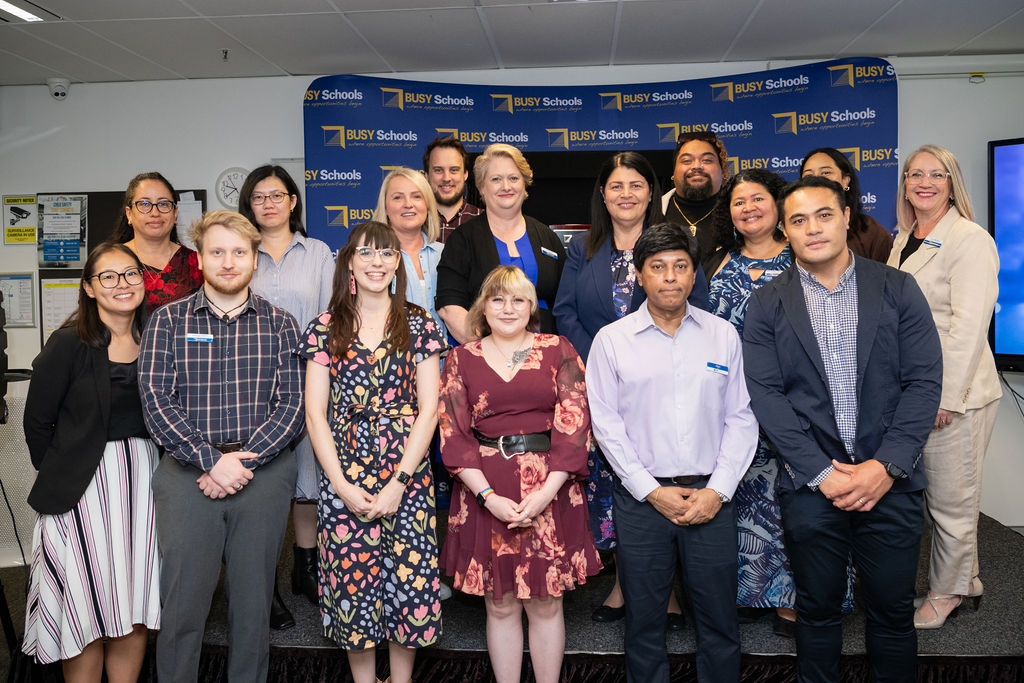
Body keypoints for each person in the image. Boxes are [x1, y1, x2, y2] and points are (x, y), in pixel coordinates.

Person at [743, 175, 942, 683]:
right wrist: (820, 473)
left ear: (847, 216)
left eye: (824, 214)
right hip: (813, 485)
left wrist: (885, 466)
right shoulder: (767, 303)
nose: (813, 229)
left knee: (893, 616)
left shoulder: (898, 287)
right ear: (784, 232)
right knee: (817, 612)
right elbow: (767, 396)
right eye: (799, 220)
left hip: (891, 484)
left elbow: (923, 382)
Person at [586, 224, 758, 683]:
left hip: (710, 497)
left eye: (680, 266)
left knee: (719, 621)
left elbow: (741, 418)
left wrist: (718, 491)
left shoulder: (722, 336)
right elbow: (606, 425)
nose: (670, 277)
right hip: (642, 500)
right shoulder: (612, 340)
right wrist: (650, 490)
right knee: (644, 623)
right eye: (657, 267)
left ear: (693, 273)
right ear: (640, 275)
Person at [139, 210, 304, 683]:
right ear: (200, 258)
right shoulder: (167, 322)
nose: (228, 262)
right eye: (217, 252)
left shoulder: (281, 324)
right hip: (186, 473)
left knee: (253, 606)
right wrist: (212, 461)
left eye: (239, 252)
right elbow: (156, 401)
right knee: (183, 605)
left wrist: (241, 462)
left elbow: (292, 404)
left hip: (264, 472)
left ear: (254, 259)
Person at [553, 151, 707, 629]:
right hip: (599, 386)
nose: (626, 194)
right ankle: (625, 584)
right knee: (615, 489)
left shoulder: (674, 243)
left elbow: (694, 306)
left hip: (665, 386)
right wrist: (603, 362)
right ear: (603, 194)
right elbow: (565, 313)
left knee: (666, 476)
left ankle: (668, 593)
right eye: (616, 186)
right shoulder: (583, 247)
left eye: (636, 185)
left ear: (651, 192)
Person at [297, 221, 446, 683]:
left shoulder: (419, 322)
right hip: (344, 469)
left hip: (408, 471)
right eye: (366, 253)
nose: (376, 261)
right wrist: (340, 485)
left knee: (409, 580)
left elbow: (429, 409)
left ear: (397, 262)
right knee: (352, 582)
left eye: (386, 253)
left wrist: (399, 482)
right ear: (350, 264)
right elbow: (315, 415)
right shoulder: (325, 327)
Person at [440, 266, 600, 683]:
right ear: (483, 308)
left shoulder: (557, 349)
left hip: (552, 487)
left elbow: (575, 422)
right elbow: (452, 435)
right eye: (497, 299)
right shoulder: (460, 358)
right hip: (485, 490)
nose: (507, 308)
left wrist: (546, 493)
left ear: (531, 307)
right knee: (500, 603)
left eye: (518, 299)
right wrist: (488, 497)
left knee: (546, 602)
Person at [22, 243, 160, 681]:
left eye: (131, 274)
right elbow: (37, 423)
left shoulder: (159, 336)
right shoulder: (68, 343)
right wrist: (69, 473)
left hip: (143, 486)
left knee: (132, 603)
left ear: (144, 280)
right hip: (81, 495)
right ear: (88, 287)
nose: (123, 284)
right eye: (109, 276)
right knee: (85, 606)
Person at [886, 145, 1000, 629]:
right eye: (915, 174)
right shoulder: (905, 237)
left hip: (956, 392)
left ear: (952, 182)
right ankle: (965, 580)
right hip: (913, 387)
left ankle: (947, 592)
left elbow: (970, 327)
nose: (924, 182)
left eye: (936, 174)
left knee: (953, 500)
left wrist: (944, 396)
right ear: (905, 183)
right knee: (943, 498)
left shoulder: (968, 238)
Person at [238, 164, 335, 628]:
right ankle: (265, 585)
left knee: (309, 481)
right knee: (262, 486)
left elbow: (332, 315)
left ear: (293, 201)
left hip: (308, 381)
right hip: (250, 388)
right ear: (249, 205)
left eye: (277, 195)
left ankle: (306, 567)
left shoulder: (317, 253)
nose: (269, 203)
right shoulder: (240, 252)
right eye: (259, 197)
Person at [706, 168, 799, 636]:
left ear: (778, 204)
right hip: (733, 400)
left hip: (792, 400)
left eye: (758, 199)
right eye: (739, 202)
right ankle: (749, 590)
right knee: (741, 497)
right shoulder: (717, 260)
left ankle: (793, 597)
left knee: (792, 500)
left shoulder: (802, 256)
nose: (749, 208)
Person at [436, 143, 565, 342]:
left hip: (542, 356)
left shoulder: (546, 237)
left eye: (513, 178)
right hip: (483, 356)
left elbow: (565, 304)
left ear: (524, 183)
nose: (506, 186)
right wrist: (489, 349)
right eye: (496, 179)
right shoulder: (462, 239)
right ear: (482, 187)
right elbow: (449, 307)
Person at [372, 166, 447, 339]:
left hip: (444, 362)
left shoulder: (445, 255)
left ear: (427, 204)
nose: (408, 204)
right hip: (389, 362)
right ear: (385, 207)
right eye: (398, 197)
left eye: (417, 196)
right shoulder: (371, 259)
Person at [111, 171, 202, 310]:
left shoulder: (197, 263)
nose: (155, 213)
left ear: (175, 213)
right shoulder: (109, 261)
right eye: (145, 204)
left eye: (163, 204)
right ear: (129, 214)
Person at [800, 147, 893, 261]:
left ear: (845, 180)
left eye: (826, 173)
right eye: (809, 176)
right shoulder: (796, 231)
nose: (817, 180)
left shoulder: (872, 232)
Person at [661, 131, 729, 275]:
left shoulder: (740, 216)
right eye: (687, 161)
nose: (697, 166)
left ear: (722, 171)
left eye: (707, 160)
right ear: (673, 172)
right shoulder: (652, 213)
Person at [423, 136, 483, 242]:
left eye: (454, 170)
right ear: (427, 176)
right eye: (438, 170)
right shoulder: (414, 222)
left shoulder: (485, 221)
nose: (446, 178)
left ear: (465, 174)